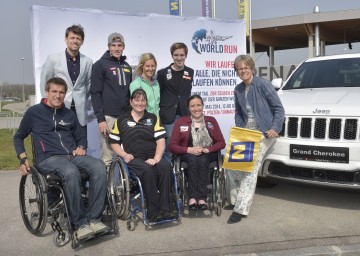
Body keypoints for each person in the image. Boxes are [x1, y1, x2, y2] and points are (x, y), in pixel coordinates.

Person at [14, 77, 109, 240]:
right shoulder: (34, 112)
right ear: (47, 92)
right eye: (54, 92)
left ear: (65, 94)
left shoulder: (69, 114)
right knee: (70, 171)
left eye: (61, 92)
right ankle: (80, 225)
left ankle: (94, 219)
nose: (58, 96)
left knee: (99, 166)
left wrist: (81, 147)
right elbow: (18, 137)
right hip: (48, 159)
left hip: (71, 156)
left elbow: (81, 137)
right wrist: (23, 159)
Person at [226, 55, 285, 224]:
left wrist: (275, 128)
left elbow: (278, 108)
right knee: (232, 166)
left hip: (264, 132)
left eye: (246, 67)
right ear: (236, 71)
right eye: (240, 68)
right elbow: (238, 112)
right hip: (246, 132)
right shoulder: (238, 89)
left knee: (249, 169)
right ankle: (235, 200)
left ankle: (241, 209)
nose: (243, 71)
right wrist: (240, 128)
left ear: (252, 68)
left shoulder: (262, 84)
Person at [109, 89, 175, 222]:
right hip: (133, 158)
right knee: (147, 170)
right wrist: (124, 154)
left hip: (152, 155)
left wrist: (157, 158)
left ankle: (166, 209)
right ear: (131, 102)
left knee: (166, 168)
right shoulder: (122, 119)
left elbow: (161, 141)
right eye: (137, 100)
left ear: (146, 102)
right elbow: (114, 142)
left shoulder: (153, 118)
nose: (140, 103)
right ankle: (153, 212)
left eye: (143, 100)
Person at [169, 95, 225, 210]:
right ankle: (193, 197)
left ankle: (202, 198)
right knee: (194, 159)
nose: (196, 108)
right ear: (188, 108)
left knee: (203, 159)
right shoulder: (182, 122)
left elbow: (221, 143)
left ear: (203, 106)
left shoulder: (211, 120)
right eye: (192, 106)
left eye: (198, 105)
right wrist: (189, 150)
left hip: (207, 153)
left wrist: (207, 149)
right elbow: (172, 146)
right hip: (188, 153)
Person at [40, 24, 92, 136]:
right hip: (59, 107)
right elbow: (45, 80)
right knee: (61, 141)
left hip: (80, 111)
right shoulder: (53, 59)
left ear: (82, 41)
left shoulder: (87, 61)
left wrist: (82, 96)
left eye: (78, 38)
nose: (75, 41)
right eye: (72, 38)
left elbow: (88, 83)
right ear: (66, 39)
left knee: (80, 145)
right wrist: (47, 103)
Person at [91, 32, 133, 167]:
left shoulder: (127, 66)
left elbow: (129, 93)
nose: (116, 48)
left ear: (124, 47)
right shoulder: (100, 65)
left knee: (128, 154)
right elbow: (95, 93)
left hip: (125, 118)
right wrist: (101, 119)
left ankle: (127, 186)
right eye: (113, 45)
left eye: (119, 45)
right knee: (107, 157)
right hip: (108, 118)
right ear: (108, 46)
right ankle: (107, 188)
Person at [157, 42, 194, 162]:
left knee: (184, 146)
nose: (179, 58)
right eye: (176, 55)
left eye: (182, 55)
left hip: (185, 115)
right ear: (172, 56)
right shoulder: (162, 73)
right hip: (169, 117)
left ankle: (181, 176)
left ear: (186, 56)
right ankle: (169, 177)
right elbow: (159, 94)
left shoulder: (190, 72)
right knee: (169, 149)